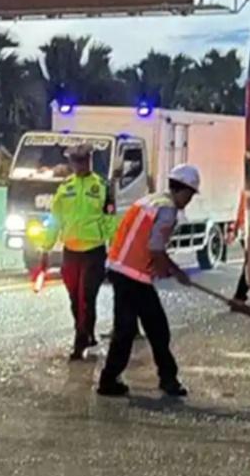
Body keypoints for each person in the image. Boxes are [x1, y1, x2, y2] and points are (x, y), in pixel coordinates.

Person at [97, 164, 201, 398]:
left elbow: (145, 243)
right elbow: (155, 248)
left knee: (127, 328)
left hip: (119, 267)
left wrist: (161, 267)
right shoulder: (168, 210)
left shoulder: (150, 201)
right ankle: (166, 379)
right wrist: (176, 272)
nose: (190, 200)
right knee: (156, 329)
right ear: (182, 190)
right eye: (191, 195)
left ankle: (111, 379)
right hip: (133, 275)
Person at [34, 142, 117, 360]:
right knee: (74, 298)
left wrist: (115, 249)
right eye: (76, 161)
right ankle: (85, 332)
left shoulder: (102, 186)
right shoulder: (65, 188)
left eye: (84, 160)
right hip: (71, 251)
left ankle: (80, 341)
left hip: (94, 251)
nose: (80, 164)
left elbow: (110, 221)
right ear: (71, 163)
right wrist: (46, 248)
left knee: (87, 298)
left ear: (90, 160)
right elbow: (54, 220)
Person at [229, 189, 250, 303]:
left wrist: (236, 227)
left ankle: (240, 296)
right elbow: (242, 210)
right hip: (248, 230)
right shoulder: (249, 190)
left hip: (244, 230)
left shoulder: (246, 189)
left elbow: (240, 209)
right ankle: (239, 296)